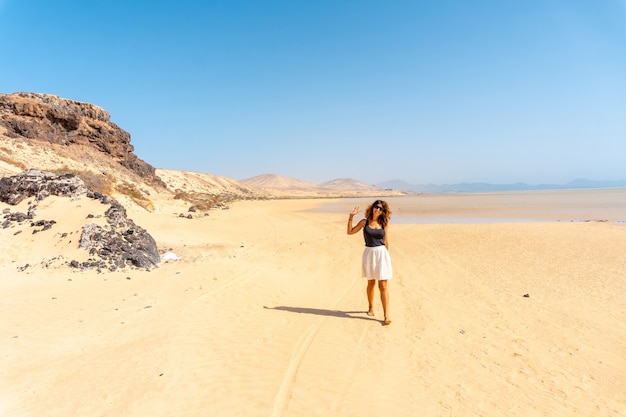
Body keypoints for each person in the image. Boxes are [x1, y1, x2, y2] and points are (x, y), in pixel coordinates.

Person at [347, 200, 393, 325]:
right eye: (376, 207)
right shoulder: (364, 222)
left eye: (381, 209)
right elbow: (350, 232)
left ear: (383, 212)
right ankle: (371, 307)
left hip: (382, 254)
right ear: (372, 208)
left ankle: (386, 316)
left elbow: (386, 241)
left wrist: (387, 257)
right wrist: (351, 217)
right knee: (371, 283)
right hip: (369, 254)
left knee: (383, 285)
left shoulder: (384, 223)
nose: (378, 209)